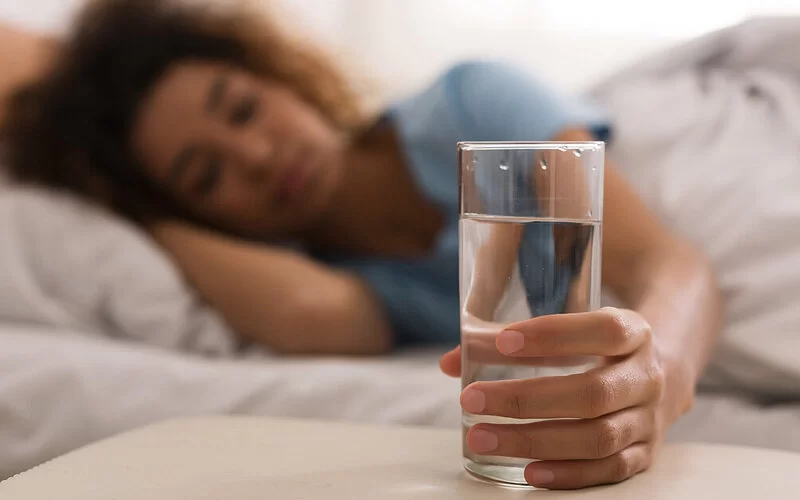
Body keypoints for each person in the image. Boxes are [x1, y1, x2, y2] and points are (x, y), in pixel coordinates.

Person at [0, 0, 721, 489]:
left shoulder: (469, 103)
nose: (253, 155)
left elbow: (666, 263)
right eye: (206, 175)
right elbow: (309, 315)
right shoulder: (328, 273)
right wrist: (131, 205)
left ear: (281, 75)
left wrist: (656, 371)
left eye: (244, 108)